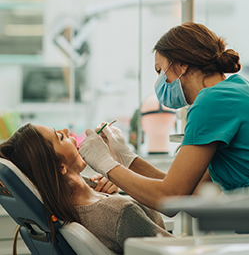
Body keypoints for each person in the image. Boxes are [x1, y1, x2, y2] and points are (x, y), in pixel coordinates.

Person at [79, 21, 249, 211]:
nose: (160, 82)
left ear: (182, 64)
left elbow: (170, 198)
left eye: (160, 71)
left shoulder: (212, 101)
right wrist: (127, 159)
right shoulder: (234, 89)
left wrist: (106, 164)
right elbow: (192, 192)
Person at [0, 123, 173, 255]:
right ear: (60, 167)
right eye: (60, 137)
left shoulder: (70, 211)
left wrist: (115, 190)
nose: (67, 131)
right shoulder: (119, 212)